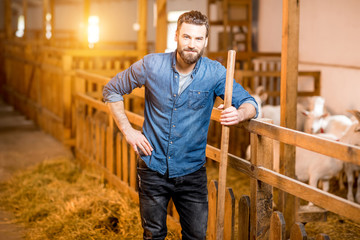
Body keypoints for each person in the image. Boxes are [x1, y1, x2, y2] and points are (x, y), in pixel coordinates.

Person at [103, 10, 258, 240]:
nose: (191, 45)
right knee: (153, 234)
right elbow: (111, 89)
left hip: (192, 172)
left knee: (196, 236)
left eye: (198, 39)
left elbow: (250, 102)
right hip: (152, 167)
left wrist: (239, 113)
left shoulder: (215, 73)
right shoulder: (151, 65)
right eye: (186, 37)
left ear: (205, 41)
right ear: (176, 35)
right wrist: (128, 131)